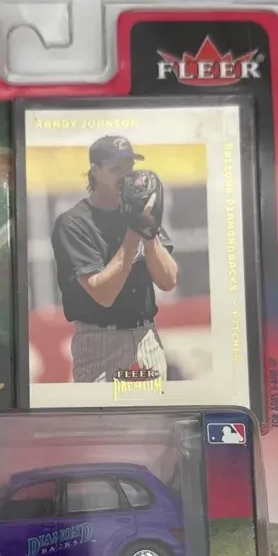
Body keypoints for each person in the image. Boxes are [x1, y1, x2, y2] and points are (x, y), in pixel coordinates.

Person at [51, 136, 179, 383]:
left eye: (129, 166)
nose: (125, 175)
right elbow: (104, 295)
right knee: (101, 410)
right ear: (95, 170)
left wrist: (148, 230)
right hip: (100, 341)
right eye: (115, 168)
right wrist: (133, 233)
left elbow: (168, 281)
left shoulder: (136, 210)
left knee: (153, 409)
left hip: (145, 336)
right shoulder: (73, 222)